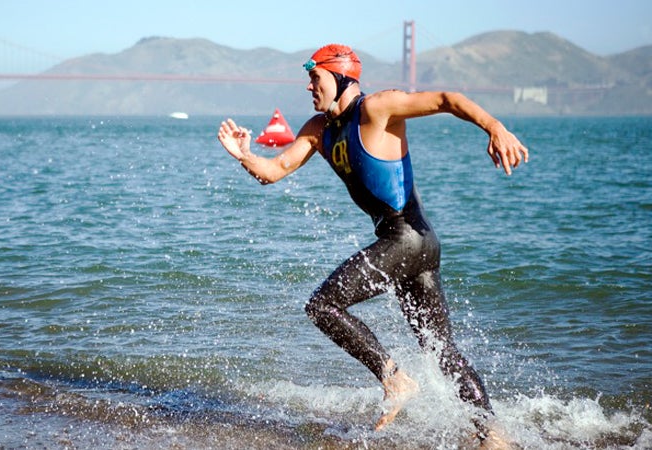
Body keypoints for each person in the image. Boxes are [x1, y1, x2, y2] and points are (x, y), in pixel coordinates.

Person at [217, 43, 528, 448]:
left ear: (341, 76)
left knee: (322, 305)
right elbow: (273, 171)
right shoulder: (319, 130)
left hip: (408, 237)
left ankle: (394, 378)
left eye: (316, 78)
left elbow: (448, 99)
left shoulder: (378, 108)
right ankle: (493, 436)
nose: (309, 87)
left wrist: (495, 127)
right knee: (442, 353)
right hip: (412, 245)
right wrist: (244, 154)